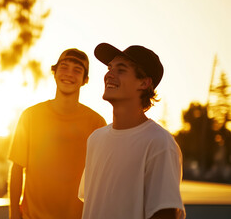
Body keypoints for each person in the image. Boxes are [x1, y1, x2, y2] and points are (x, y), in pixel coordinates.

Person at [79, 43, 185, 219]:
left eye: (120, 70)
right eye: (109, 68)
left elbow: (165, 213)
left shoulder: (159, 143)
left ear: (144, 82)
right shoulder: (95, 139)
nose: (108, 75)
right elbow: (89, 204)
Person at [8, 48, 106, 219]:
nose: (69, 74)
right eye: (64, 67)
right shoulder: (30, 116)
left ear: (85, 80)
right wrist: (14, 214)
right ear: (54, 72)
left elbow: (102, 180)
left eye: (77, 70)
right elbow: (17, 169)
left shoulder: (96, 123)